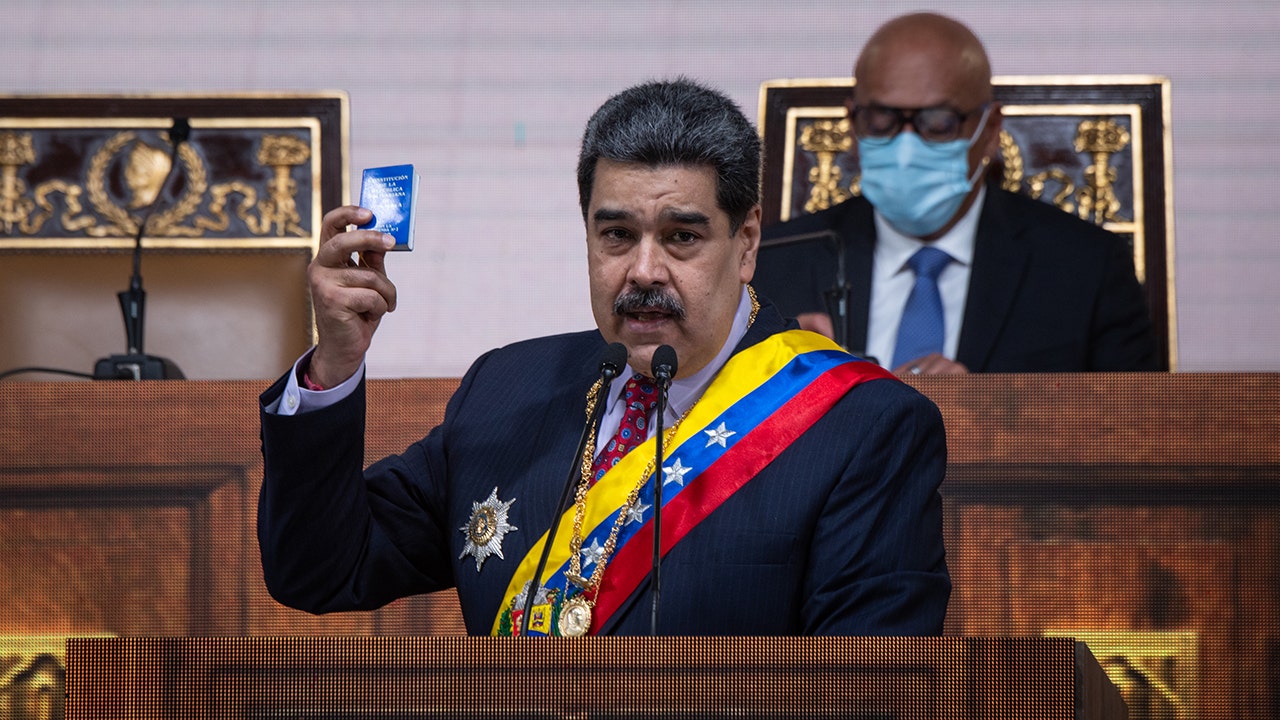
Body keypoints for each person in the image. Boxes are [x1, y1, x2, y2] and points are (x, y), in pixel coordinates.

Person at [257, 78, 949, 637]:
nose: (643, 270)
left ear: (745, 245)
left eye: (681, 237)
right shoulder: (505, 389)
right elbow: (321, 571)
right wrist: (333, 368)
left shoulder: (862, 427)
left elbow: (869, 692)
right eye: (616, 235)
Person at [752, 12, 1159, 375]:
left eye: (938, 122)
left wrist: (976, 415)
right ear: (852, 122)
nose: (905, 145)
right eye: (881, 119)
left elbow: (1136, 434)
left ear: (990, 130)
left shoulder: (1086, 269)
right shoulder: (772, 261)